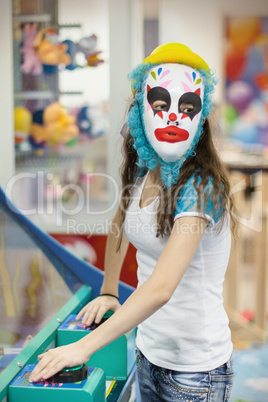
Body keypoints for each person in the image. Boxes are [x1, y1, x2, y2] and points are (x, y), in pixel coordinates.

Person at [29, 43, 235, 401]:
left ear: (201, 116)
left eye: (187, 108)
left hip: (195, 372)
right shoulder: (144, 171)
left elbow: (161, 287)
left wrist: (84, 347)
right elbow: (119, 224)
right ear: (141, 112)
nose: (173, 117)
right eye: (160, 105)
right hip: (150, 353)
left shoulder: (200, 187)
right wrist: (109, 290)